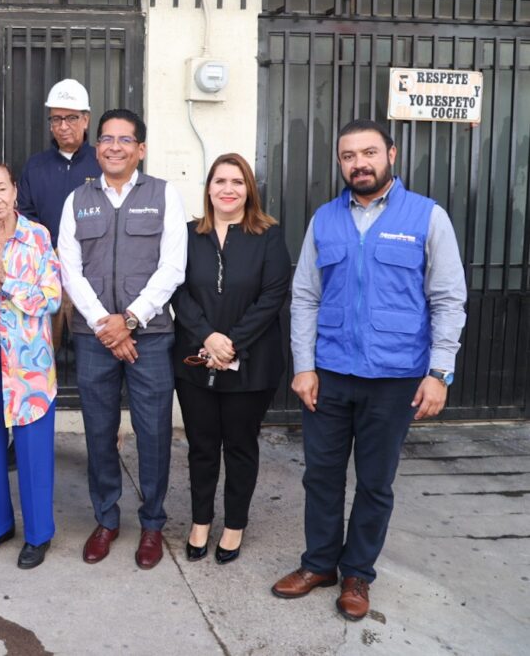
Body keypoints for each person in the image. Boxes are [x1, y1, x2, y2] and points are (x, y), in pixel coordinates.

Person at [271, 119, 467, 620]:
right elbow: (305, 298)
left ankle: (357, 575)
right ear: (340, 162)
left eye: (368, 153)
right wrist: (304, 366)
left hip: (396, 377)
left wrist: (438, 372)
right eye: (348, 155)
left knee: (376, 483)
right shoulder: (325, 219)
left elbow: (447, 298)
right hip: (330, 374)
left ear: (391, 155)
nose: (359, 163)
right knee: (321, 476)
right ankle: (318, 564)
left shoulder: (427, 217)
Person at [58, 108, 187, 569]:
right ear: (97, 148)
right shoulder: (77, 200)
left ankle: (152, 524)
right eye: (106, 139)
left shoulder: (165, 195)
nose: (114, 146)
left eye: (125, 139)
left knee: (153, 433)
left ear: (141, 149)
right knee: (98, 431)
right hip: (94, 338)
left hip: (150, 336)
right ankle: (106, 518)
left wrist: (129, 320)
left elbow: (173, 267)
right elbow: (69, 270)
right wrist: (105, 325)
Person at [171, 153, 291, 565]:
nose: (228, 189)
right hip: (194, 358)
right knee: (202, 446)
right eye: (220, 180)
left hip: (252, 363)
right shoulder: (187, 235)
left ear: (249, 190)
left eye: (237, 182)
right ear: (208, 188)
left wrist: (230, 343)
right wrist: (207, 336)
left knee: (240, 446)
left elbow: (273, 296)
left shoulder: (269, 235)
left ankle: (234, 524)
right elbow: (177, 291)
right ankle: (200, 521)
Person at [0, 163, 62, 569]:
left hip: (30, 367)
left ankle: (39, 534)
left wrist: (7, 281)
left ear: (15, 190)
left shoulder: (37, 237)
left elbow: (53, 297)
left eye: (1, 188)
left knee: (33, 451)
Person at [17, 78, 101, 350]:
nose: (63, 126)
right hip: (45, 273)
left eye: (71, 118)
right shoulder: (36, 166)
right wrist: (50, 253)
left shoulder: (102, 161)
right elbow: (26, 216)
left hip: (93, 273)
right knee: (45, 350)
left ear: (86, 120)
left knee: (92, 349)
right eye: (56, 119)